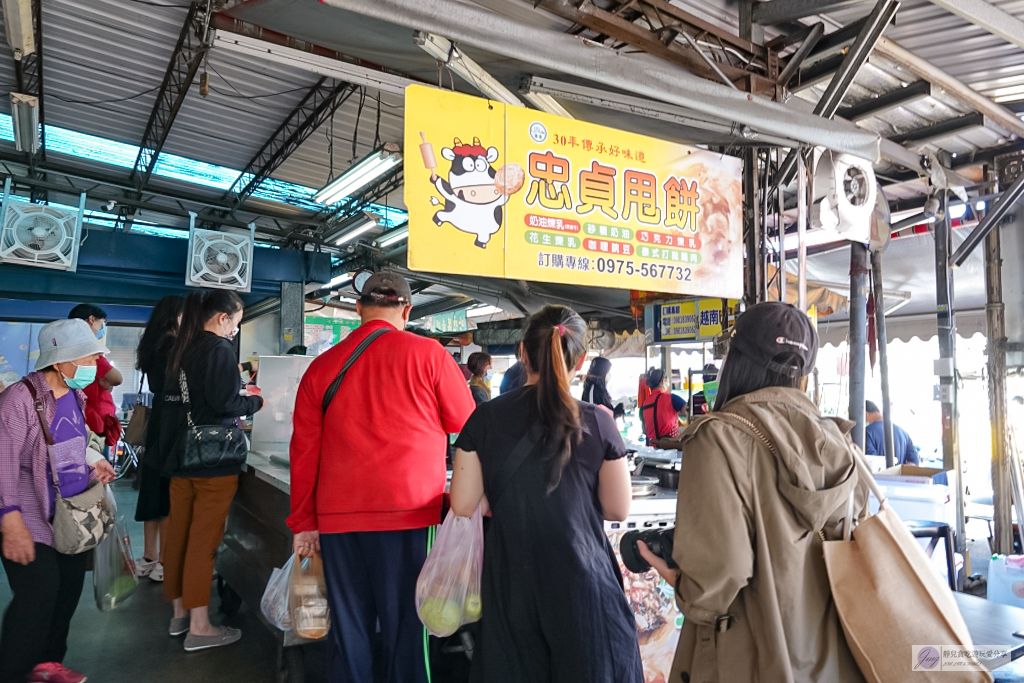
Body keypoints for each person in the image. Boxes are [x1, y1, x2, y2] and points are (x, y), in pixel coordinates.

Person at [638, 302, 868, 683]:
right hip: (833, 657)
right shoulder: (839, 440)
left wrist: (677, 578)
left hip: (750, 658)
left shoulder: (718, 438)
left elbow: (715, 579)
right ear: (803, 372)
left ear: (736, 358)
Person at [288, 271, 475, 683]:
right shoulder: (430, 356)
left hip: (338, 520)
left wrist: (303, 522)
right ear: (407, 310)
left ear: (359, 308)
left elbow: (303, 453)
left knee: (349, 629)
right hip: (408, 515)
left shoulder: (321, 368)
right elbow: (469, 426)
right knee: (407, 627)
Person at [449, 305, 643, 683]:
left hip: (513, 584)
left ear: (523, 353)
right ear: (581, 360)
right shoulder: (599, 420)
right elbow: (618, 508)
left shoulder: (485, 418)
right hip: (584, 584)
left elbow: (463, 503)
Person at [0, 319, 117, 683]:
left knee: (67, 591)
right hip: (26, 512)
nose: (93, 365)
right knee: (38, 595)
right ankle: (13, 671)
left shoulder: (75, 396)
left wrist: (94, 462)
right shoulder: (18, 400)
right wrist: (10, 521)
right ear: (60, 361)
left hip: (69, 513)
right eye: (86, 358)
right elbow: (3, 462)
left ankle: (49, 663)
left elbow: (71, 445)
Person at [161, 290, 264, 652]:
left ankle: (179, 616)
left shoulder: (185, 347)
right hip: (214, 461)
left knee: (178, 538)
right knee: (202, 546)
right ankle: (200, 628)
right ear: (223, 318)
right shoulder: (219, 349)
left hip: (184, 456)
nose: (236, 329)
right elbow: (226, 403)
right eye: (236, 322)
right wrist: (255, 400)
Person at [133, 295, 185, 583]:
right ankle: (164, 562)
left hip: (158, 419)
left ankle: (149, 556)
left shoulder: (151, 343)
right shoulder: (174, 345)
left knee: (152, 488)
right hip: (173, 422)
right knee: (168, 492)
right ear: (176, 315)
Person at [67, 304, 123, 450]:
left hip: (74, 418)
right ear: (91, 320)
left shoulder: (67, 350)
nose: (102, 328)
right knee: (97, 468)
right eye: (102, 323)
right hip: (94, 423)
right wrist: (107, 383)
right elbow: (117, 378)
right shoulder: (92, 353)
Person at [864, 400, 920, 465]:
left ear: (866, 414)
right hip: (899, 474)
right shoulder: (903, 433)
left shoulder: (866, 432)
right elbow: (914, 462)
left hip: (877, 475)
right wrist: (897, 471)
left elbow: (871, 463)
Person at [640, 367, 686, 444]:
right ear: (662, 381)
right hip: (670, 449)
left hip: (651, 450)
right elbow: (688, 411)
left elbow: (644, 430)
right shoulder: (671, 398)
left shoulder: (644, 405)